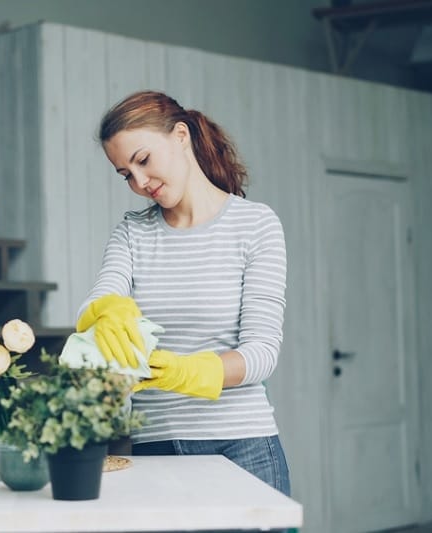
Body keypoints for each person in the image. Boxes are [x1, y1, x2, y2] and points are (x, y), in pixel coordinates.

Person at [76, 90, 290, 497]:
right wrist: (107, 310)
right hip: (156, 449)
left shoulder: (255, 225)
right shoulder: (133, 233)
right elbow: (98, 299)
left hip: (242, 447)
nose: (139, 183)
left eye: (143, 160)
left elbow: (262, 352)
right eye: (125, 174)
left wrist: (189, 372)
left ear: (180, 136)